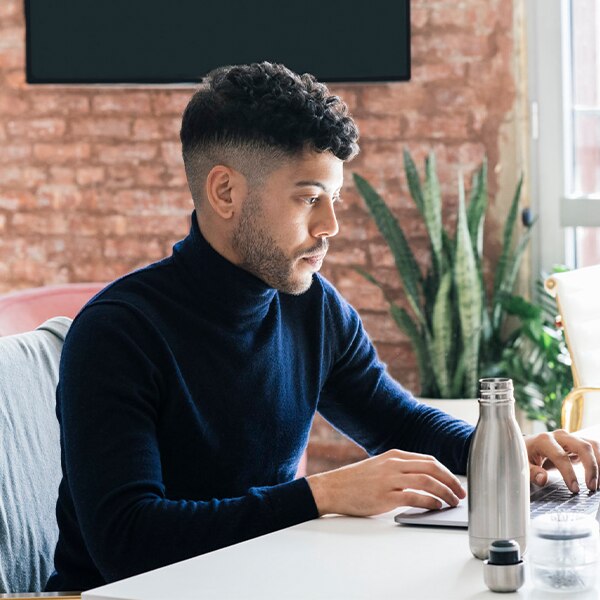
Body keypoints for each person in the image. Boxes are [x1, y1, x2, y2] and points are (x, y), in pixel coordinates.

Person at [45, 61, 600, 592]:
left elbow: (397, 423)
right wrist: (320, 495)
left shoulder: (312, 306)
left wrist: (502, 451)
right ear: (225, 192)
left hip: (257, 582)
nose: (330, 225)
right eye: (309, 198)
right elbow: (128, 541)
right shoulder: (118, 334)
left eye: (333, 199)